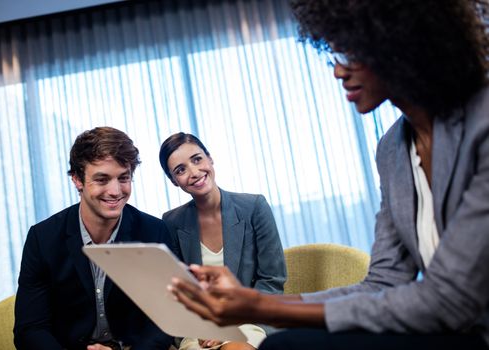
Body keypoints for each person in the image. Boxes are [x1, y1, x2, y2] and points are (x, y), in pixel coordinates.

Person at [168, 0, 489, 349]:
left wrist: (260, 306)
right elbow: (383, 282)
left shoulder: (482, 122)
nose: (338, 71)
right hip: (445, 324)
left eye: (351, 54)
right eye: (334, 54)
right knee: (285, 344)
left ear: (400, 43)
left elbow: (451, 298)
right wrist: (247, 304)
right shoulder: (393, 149)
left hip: (474, 328)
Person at [14, 127, 174, 350]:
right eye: (102, 179)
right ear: (77, 180)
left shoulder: (154, 232)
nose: (115, 191)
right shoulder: (42, 238)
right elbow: (30, 329)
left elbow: (165, 318)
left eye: (123, 178)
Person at [159, 132, 287, 350]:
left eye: (197, 159)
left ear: (210, 158)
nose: (194, 172)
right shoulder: (171, 222)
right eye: (180, 170)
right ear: (173, 181)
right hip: (199, 327)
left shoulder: (254, 207)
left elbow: (272, 280)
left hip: (249, 319)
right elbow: (180, 291)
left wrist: (229, 323)